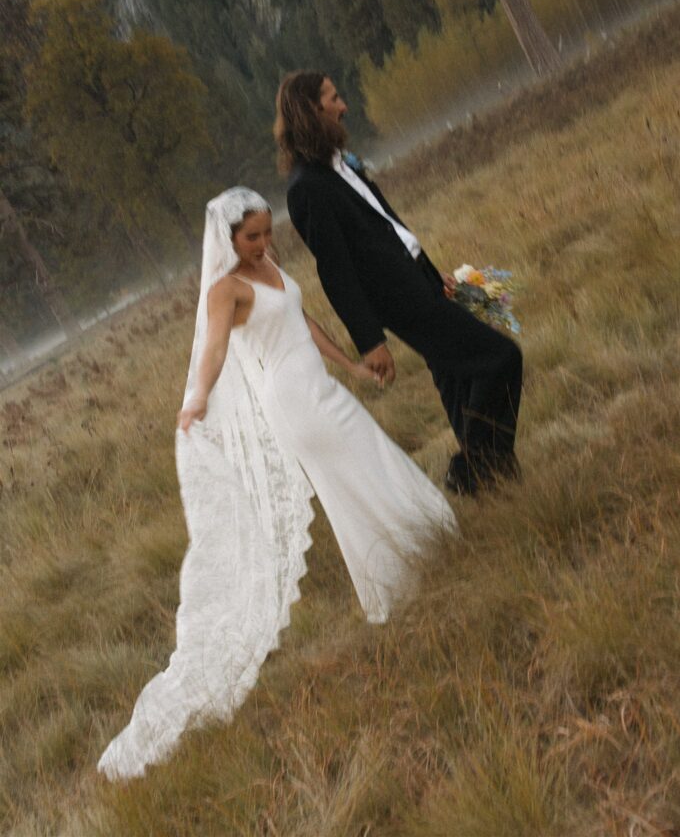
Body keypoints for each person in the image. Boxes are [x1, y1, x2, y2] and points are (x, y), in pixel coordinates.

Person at [97, 187, 456, 781]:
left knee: (370, 462)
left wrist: (352, 366)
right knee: (356, 472)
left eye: (268, 233)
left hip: (319, 387)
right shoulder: (225, 290)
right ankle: (399, 577)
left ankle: (417, 552)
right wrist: (196, 401)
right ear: (227, 239)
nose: (264, 245)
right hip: (292, 402)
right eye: (252, 237)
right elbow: (213, 350)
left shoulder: (269, 268)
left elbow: (305, 322)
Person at [278, 71, 523, 496]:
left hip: (420, 283)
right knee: (500, 357)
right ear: (312, 111)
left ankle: (495, 481)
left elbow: (386, 227)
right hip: (401, 301)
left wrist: (429, 271)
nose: (344, 106)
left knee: (456, 377)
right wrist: (370, 340)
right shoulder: (307, 189)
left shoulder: (340, 164)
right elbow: (335, 270)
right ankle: (470, 472)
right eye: (334, 99)